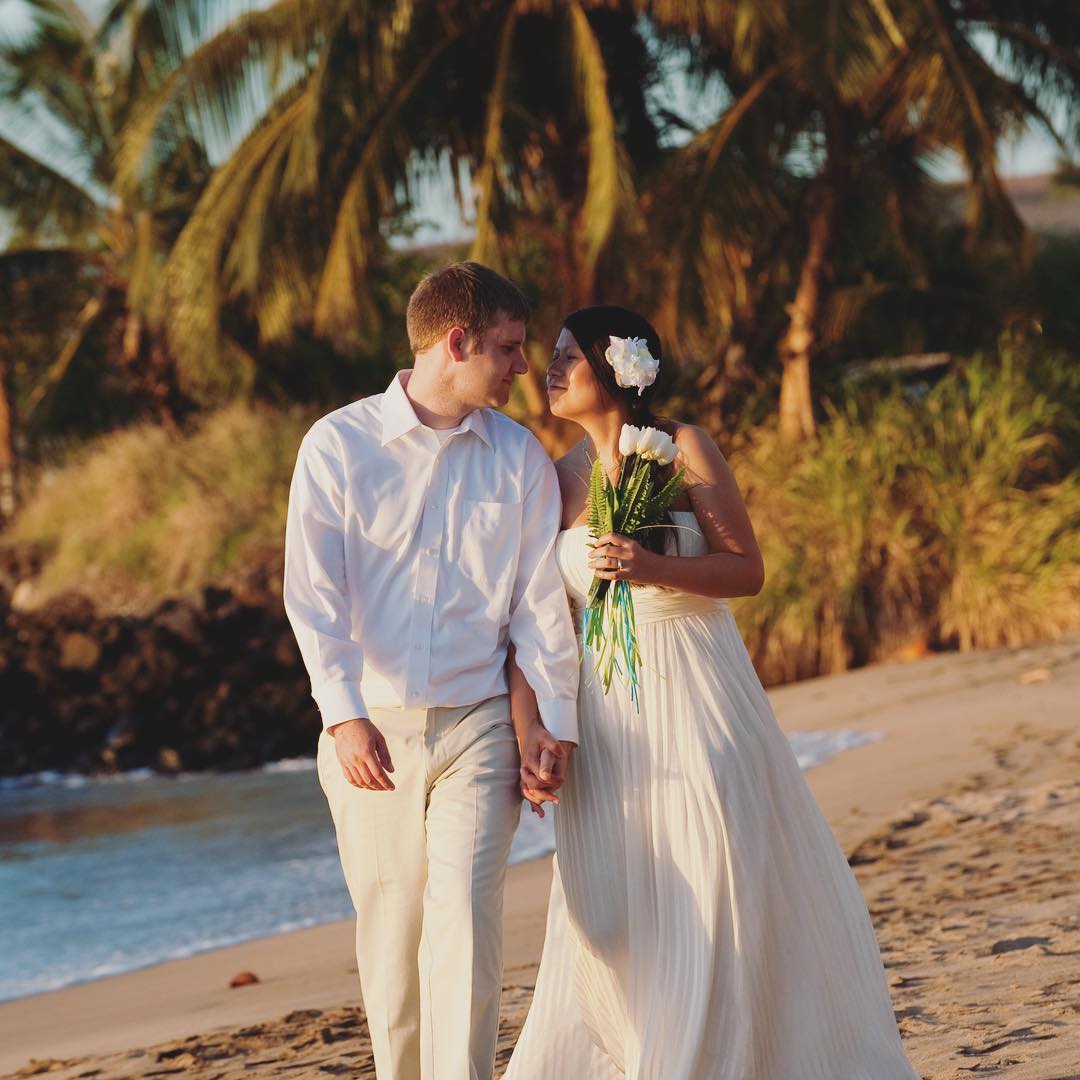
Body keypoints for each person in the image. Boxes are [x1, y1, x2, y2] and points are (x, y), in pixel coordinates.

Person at [505, 306, 919, 1079]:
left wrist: (653, 566)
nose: (552, 368)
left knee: (712, 866)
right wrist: (533, 728)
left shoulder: (683, 448)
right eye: (550, 354)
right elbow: (537, 625)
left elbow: (745, 571)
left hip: (696, 694)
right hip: (605, 716)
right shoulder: (554, 479)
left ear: (617, 368)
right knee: (618, 898)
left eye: (568, 354)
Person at [283, 262, 579, 1080]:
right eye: (510, 348)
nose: (524, 366)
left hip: (479, 727)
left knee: (469, 923)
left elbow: (536, 609)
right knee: (392, 935)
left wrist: (547, 726)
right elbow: (314, 598)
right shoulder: (337, 447)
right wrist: (343, 717)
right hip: (370, 732)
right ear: (458, 341)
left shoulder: (519, 459)